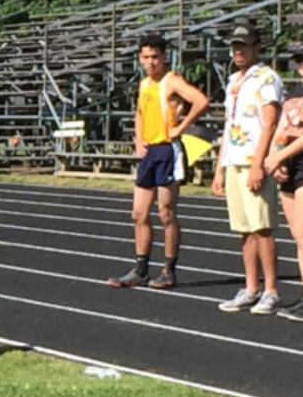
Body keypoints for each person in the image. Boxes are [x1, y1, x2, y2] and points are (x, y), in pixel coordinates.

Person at [108, 34, 210, 289]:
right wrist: (139, 138)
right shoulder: (144, 84)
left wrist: (182, 127)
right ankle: (140, 268)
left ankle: (168, 269)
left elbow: (201, 100)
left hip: (168, 150)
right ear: (140, 59)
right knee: (138, 213)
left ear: (164, 57)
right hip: (150, 152)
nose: (151, 62)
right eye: (146, 57)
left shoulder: (171, 80)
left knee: (166, 212)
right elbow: (140, 112)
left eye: (155, 57)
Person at [212, 19, 284, 314]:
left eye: (244, 45)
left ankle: (270, 290)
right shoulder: (233, 81)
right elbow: (229, 126)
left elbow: (270, 123)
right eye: (235, 46)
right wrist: (219, 166)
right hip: (234, 160)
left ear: (256, 47)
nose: (238, 51)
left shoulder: (267, 78)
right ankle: (251, 286)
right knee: (244, 229)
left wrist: (258, 164)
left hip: (254, 160)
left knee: (262, 227)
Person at [264, 51, 303, 321]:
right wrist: (275, 156)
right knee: (298, 237)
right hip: (290, 165)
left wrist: (279, 155)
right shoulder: (294, 94)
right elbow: (281, 128)